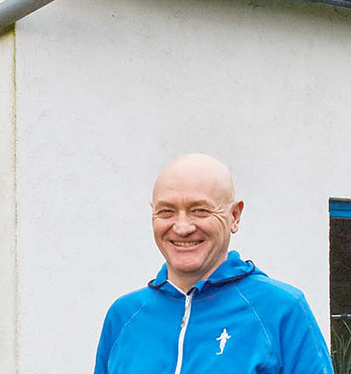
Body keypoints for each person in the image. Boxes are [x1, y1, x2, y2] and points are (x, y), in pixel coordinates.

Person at [94, 153, 334, 373]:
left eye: (199, 210)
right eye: (167, 211)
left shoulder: (281, 309)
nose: (182, 227)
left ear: (234, 216)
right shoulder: (123, 315)